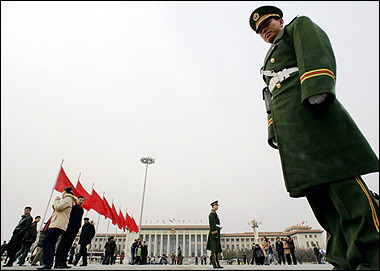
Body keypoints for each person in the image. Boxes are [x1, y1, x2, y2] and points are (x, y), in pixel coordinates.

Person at [249, 5, 379, 270]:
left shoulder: (298, 27)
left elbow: (315, 51)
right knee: (321, 200)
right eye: (260, 31)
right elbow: (270, 98)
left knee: (343, 187)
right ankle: (342, 260)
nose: (265, 32)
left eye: (268, 24)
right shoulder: (266, 62)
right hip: (292, 131)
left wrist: (317, 88)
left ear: (280, 20)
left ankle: (370, 255)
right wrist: (274, 129)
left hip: (313, 116)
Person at [38, 187, 78, 270]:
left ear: (65, 192)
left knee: (47, 241)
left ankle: (47, 262)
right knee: (51, 242)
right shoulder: (68, 200)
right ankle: (48, 262)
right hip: (59, 223)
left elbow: (58, 208)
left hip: (58, 224)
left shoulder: (67, 199)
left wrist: (56, 201)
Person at [54, 195, 85, 268]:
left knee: (68, 246)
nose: (81, 201)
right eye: (80, 200)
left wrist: (78, 228)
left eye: (82, 200)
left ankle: (64, 262)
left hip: (74, 230)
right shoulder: (73, 208)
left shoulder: (81, 209)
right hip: (68, 228)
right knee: (63, 245)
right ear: (77, 200)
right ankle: (58, 262)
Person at [206, 200, 223, 268]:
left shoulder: (214, 213)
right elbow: (212, 225)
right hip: (214, 234)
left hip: (215, 233)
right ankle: (215, 264)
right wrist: (215, 233)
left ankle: (217, 263)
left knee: (216, 250)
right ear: (214, 206)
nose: (218, 206)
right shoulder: (212, 214)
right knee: (214, 249)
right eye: (217, 205)